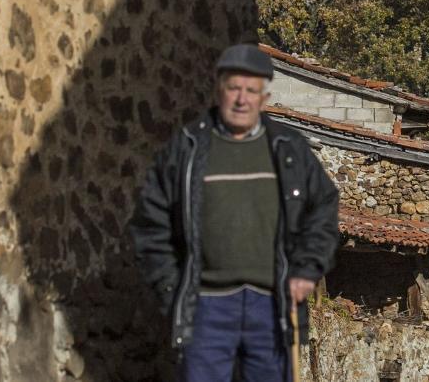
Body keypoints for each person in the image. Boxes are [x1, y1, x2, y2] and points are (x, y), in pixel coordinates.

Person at [129, 43, 340, 380]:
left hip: (273, 303)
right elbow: (149, 224)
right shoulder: (186, 149)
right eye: (234, 88)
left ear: (264, 98)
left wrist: (307, 268)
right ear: (219, 90)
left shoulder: (288, 149)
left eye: (251, 90)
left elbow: (323, 209)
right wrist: (171, 289)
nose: (242, 99)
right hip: (206, 305)